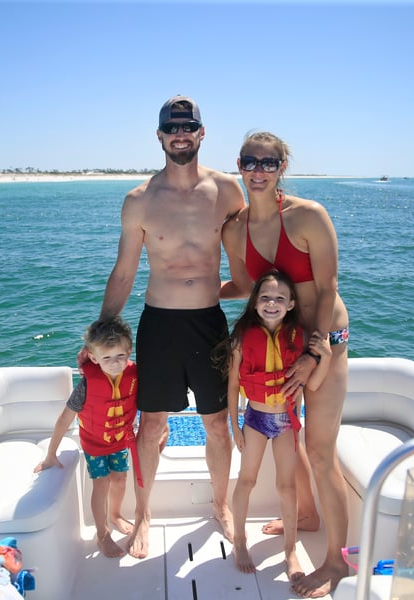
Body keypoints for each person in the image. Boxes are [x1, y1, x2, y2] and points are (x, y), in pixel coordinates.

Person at [93, 96, 246, 559]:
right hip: (158, 324)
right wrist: (99, 334)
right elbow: (124, 273)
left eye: (188, 126)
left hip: (208, 323)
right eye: (172, 128)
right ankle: (143, 515)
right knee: (152, 423)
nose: (181, 134)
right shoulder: (139, 200)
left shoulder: (227, 191)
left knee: (217, 423)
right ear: (159, 136)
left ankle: (221, 505)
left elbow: (246, 269)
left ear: (202, 133)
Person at [221, 131, 350, 598]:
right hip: (284, 344)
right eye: (250, 161)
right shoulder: (234, 229)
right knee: (286, 436)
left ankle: (335, 562)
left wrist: (317, 350)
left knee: (319, 450)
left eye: (268, 163)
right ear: (239, 165)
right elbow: (243, 286)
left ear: (281, 168)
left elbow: (328, 287)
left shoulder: (308, 215)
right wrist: (188, 291)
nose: (258, 170)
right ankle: (307, 515)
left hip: (323, 340)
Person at [226, 269, 328, 581]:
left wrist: (324, 356)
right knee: (246, 481)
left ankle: (290, 551)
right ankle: (240, 541)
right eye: (266, 297)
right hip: (255, 420)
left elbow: (313, 384)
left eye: (280, 298)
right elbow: (233, 386)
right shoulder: (242, 337)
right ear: (255, 302)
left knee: (287, 486)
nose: (272, 303)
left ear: (291, 304)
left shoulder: (299, 338)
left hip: (286, 422)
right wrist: (235, 426)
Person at [34, 316, 138, 558]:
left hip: (119, 440)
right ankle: (102, 534)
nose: (115, 363)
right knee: (102, 484)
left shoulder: (134, 376)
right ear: (93, 358)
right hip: (95, 445)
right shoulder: (87, 386)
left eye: (120, 356)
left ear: (129, 351)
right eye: (107, 358)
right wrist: (51, 454)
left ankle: (115, 514)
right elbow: (64, 419)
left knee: (120, 479)